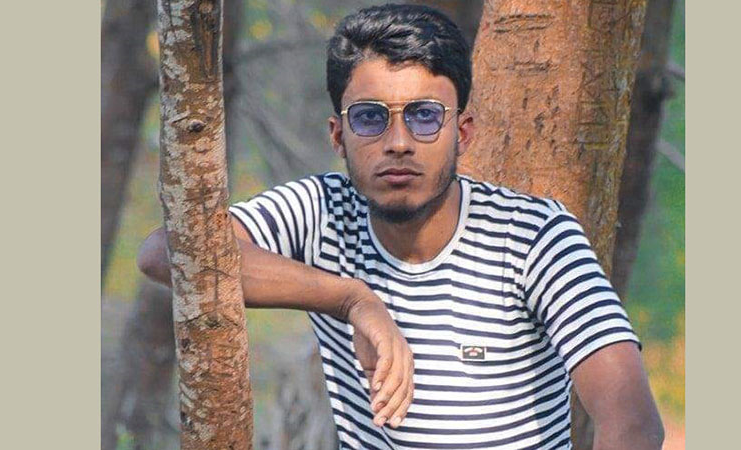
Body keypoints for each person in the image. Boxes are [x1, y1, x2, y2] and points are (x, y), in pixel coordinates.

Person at [138, 3, 664, 449]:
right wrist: (351, 299)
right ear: (338, 136)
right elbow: (166, 252)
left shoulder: (533, 235)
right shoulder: (322, 212)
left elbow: (633, 425)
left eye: (424, 116)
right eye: (370, 117)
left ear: (463, 132)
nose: (398, 143)